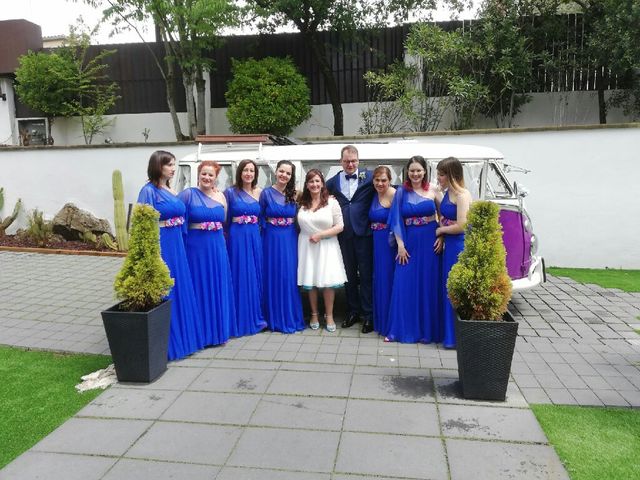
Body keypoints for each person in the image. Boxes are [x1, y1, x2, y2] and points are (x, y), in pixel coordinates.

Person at [137, 150, 203, 360]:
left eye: (174, 164)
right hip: (162, 244)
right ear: (159, 166)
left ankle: (186, 338)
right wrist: (151, 253)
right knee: (167, 289)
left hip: (177, 243)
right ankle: (168, 342)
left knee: (181, 286)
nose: (174, 168)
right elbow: (143, 225)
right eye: (170, 165)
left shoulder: (170, 189)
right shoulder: (148, 191)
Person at [179, 160, 236, 347]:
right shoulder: (188, 194)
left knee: (217, 285)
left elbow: (225, 222)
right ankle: (200, 332)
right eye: (204, 173)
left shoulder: (221, 197)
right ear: (198, 175)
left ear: (216, 178)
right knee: (199, 286)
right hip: (196, 248)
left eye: (211, 175)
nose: (207, 177)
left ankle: (218, 332)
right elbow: (179, 221)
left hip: (217, 248)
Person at [386, 155, 441, 343]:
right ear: (407, 173)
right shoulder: (401, 192)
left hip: (430, 243)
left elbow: (445, 216)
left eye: (419, 170)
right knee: (403, 284)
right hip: (408, 243)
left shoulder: (434, 190)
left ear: (425, 171)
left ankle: (427, 332)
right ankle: (399, 330)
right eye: (412, 171)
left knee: (427, 285)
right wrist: (400, 245)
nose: (415, 174)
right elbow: (395, 219)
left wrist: (441, 235)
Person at [326, 145, 375, 333]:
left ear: (359, 161)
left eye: (353, 161)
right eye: (346, 161)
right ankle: (353, 311)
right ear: (340, 161)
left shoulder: (370, 177)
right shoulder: (332, 182)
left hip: (365, 234)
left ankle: (368, 315)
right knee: (349, 277)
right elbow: (318, 196)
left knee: (366, 275)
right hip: (344, 235)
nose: (350, 164)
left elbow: (388, 189)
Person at [297, 169, 347, 332]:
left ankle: (329, 315)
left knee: (327, 282)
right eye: (311, 181)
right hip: (307, 245)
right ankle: (313, 314)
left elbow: (340, 226)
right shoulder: (301, 202)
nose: (314, 184)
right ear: (306, 184)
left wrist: (321, 235)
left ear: (323, 183)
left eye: (317, 181)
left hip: (327, 245)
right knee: (310, 281)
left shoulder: (332, 202)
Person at [259, 160, 305, 333]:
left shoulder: (295, 195)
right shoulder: (265, 193)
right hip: (271, 238)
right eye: (281, 171)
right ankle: (272, 317)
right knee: (272, 275)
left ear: (291, 176)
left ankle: (289, 315)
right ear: (276, 172)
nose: (284, 175)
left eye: (288, 173)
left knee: (288, 276)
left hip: (289, 239)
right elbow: (260, 217)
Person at [224, 160, 267, 337]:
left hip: (254, 238)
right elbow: (224, 219)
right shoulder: (230, 193)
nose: (248, 173)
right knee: (239, 274)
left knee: (254, 275)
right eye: (245, 170)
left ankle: (255, 315)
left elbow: (264, 215)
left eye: (252, 170)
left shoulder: (261, 193)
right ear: (239, 173)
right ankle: (239, 318)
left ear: (256, 174)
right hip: (237, 237)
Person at [435, 156, 472, 349]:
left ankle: (456, 337)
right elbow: (443, 217)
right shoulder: (447, 192)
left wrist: (441, 231)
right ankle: (447, 334)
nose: (438, 178)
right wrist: (442, 234)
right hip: (447, 246)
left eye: (441, 174)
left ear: (451, 175)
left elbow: (462, 226)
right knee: (446, 289)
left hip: (458, 247)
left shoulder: (463, 195)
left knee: (455, 290)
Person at [368, 166, 396, 337]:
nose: (380, 183)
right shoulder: (374, 194)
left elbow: (397, 221)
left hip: (388, 243)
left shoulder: (394, 194)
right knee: (378, 279)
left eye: (383, 180)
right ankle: (380, 320)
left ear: (390, 180)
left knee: (387, 280)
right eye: (377, 180)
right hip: (376, 241)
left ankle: (389, 323)